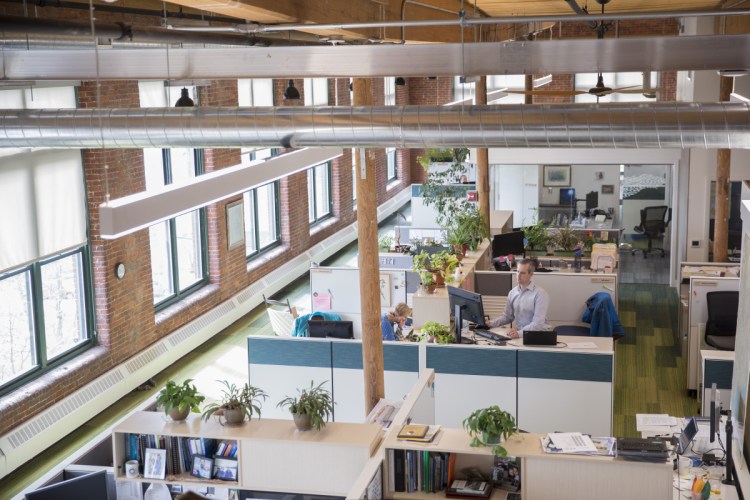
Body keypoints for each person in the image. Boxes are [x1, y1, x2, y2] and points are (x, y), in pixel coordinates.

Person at [488, 258, 550, 339]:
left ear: (531, 274)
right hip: (520, 334)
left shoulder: (540, 294)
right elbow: (507, 317)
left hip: (538, 335)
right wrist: (491, 323)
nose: (518, 275)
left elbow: (538, 323)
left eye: (523, 273)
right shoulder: (512, 293)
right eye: (517, 272)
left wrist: (519, 333)